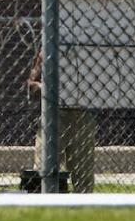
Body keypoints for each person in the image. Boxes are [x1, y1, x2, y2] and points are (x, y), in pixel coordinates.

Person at [26, 49, 96, 193]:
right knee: (44, 168)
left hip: (82, 114)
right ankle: (45, 201)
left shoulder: (91, 52)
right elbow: (31, 83)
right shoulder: (49, 51)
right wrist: (47, 89)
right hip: (55, 114)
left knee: (84, 174)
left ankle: (84, 206)